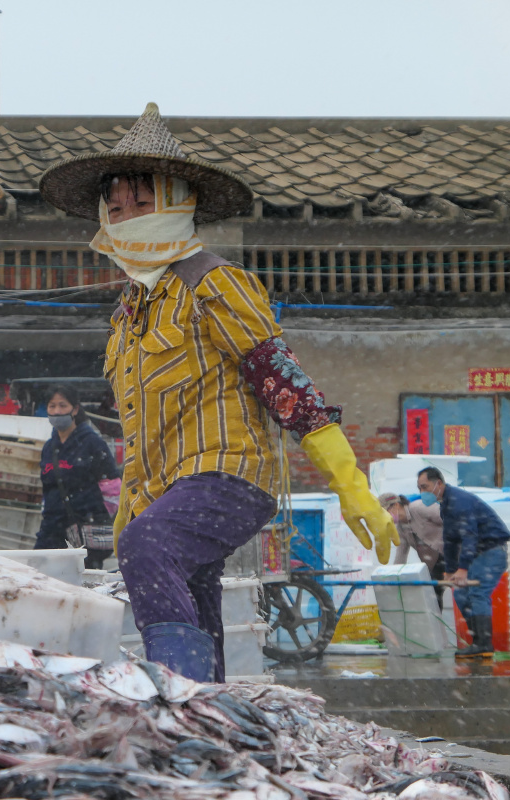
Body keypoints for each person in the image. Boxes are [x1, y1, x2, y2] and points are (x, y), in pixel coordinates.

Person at [38, 103, 398, 682]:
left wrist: (351, 486)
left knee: (148, 547)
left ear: (181, 204)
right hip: (166, 487)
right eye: (117, 206)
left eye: (143, 202)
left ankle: (178, 702)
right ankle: (210, 713)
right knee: (193, 600)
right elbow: (141, 425)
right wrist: (134, 509)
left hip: (231, 476)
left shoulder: (214, 282)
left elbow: (285, 384)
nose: (127, 216)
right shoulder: (129, 311)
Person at [417, 467, 510, 658]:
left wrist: (462, 569)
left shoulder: (460, 502)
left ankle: (484, 644)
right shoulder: (445, 506)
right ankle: (477, 642)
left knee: (478, 594)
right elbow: (450, 540)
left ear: (439, 483)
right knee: (460, 593)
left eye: (425, 487)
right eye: (419, 488)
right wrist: (450, 570)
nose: (423, 492)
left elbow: (470, 536)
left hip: (492, 551)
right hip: (478, 553)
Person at [34, 385, 120, 570]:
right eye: (52, 406)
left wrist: (98, 517)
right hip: (53, 530)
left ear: (75, 409)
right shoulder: (49, 448)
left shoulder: (92, 443)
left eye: (62, 406)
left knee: (82, 582)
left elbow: (113, 486)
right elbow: (48, 493)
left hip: (87, 532)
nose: (57, 411)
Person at [379, 492, 446, 608]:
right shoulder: (400, 528)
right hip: (434, 562)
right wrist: (393, 577)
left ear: (396, 505)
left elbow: (449, 520)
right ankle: (435, 624)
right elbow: (401, 555)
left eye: (385, 513)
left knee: (464, 593)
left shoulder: (419, 508)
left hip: (451, 553)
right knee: (433, 597)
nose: (385, 518)